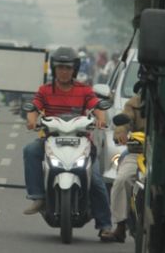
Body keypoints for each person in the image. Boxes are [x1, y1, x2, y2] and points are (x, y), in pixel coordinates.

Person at [22, 46, 112, 237]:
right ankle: (37, 196)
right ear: (54, 69)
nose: (63, 71)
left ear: (74, 70)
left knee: (96, 180)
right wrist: (31, 121)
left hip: (81, 143)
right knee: (30, 150)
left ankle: (104, 225)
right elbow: (34, 107)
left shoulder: (84, 90)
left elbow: (97, 107)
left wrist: (101, 119)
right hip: (51, 141)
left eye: (68, 68)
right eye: (60, 67)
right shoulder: (45, 90)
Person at [100, 84, 146, 243]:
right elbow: (123, 122)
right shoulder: (135, 103)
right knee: (121, 180)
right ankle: (120, 227)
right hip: (138, 152)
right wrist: (121, 134)